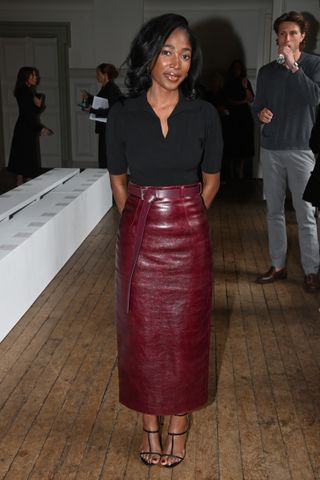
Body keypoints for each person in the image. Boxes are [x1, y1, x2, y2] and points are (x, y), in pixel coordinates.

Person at [106, 13, 222, 468]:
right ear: (149, 55)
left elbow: (210, 182)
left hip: (189, 231)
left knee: (186, 334)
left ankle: (178, 424)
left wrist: (184, 216)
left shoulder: (204, 114)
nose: (176, 63)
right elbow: (118, 183)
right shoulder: (123, 113)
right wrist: (141, 220)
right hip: (139, 229)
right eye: (167, 51)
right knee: (141, 334)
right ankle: (148, 425)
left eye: (186, 54)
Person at [253, 11, 320, 293]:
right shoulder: (267, 72)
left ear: (303, 36)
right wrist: (261, 113)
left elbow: (315, 97)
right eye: (282, 34)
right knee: (274, 211)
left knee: (305, 213)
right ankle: (278, 265)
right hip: (271, 149)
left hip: (303, 148)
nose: (287, 38)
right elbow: (256, 106)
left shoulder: (314, 65)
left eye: (293, 33)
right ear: (277, 38)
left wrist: (295, 68)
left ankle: (312, 271)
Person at [7, 67, 52, 186]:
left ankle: (21, 190)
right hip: (25, 129)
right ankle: (24, 191)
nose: (36, 77)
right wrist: (41, 128)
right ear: (26, 77)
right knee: (25, 163)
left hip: (25, 128)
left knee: (22, 164)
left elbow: (32, 112)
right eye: (33, 76)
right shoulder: (24, 91)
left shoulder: (27, 90)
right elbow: (27, 114)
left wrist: (39, 105)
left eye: (35, 75)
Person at [81, 63, 122, 168]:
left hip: (109, 129)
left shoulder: (111, 88)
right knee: (104, 158)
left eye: (98, 73)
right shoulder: (106, 87)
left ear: (105, 75)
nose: (96, 76)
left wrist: (92, 110)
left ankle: (107, 182)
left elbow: (112, 110)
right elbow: (101, 101)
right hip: (105, 128)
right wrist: (89, 97)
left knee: (106, 159)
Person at [223, 59, 255, 179]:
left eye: (239, 68)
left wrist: (245, 87)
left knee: (244, 144)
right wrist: (243, 101)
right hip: (232, 117)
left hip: (244, 116)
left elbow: (251, 99)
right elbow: (229, 100)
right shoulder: (229, 83)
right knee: (232, 144)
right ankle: (231, 173)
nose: (237, 70)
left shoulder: (244, 81)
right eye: (235, 68)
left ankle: (240, 171)